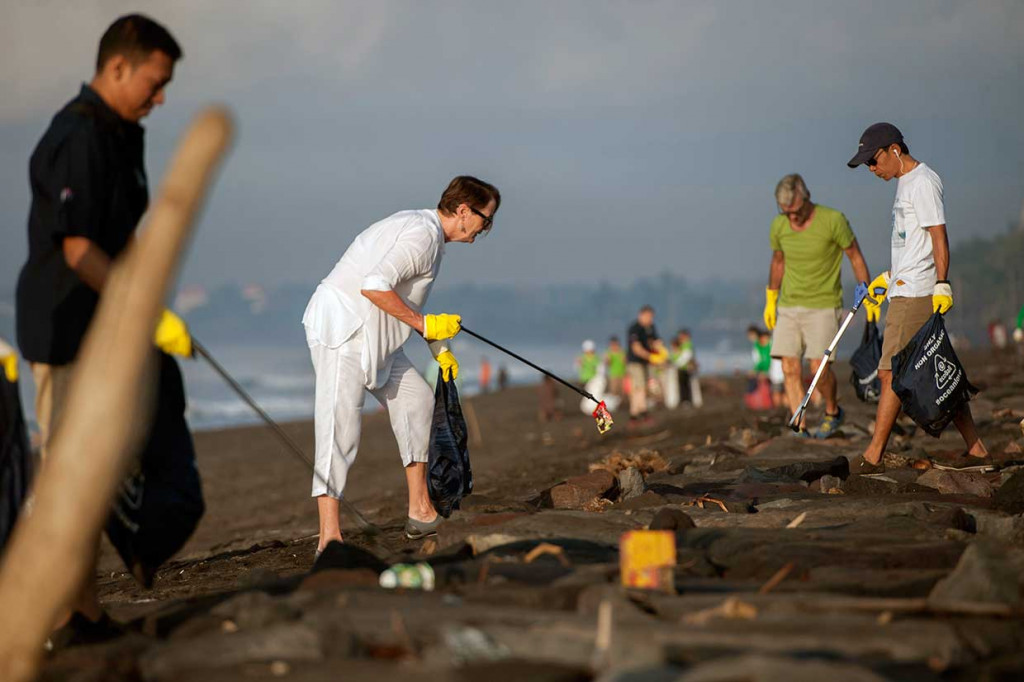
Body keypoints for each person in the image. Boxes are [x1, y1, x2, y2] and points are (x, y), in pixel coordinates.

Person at [14, 15, 195, 643]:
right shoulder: (78, 134)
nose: (161, 96)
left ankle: (82, 611)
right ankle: (55, 616)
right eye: (155, 81)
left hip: (108, 327)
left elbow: (125, 237)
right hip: (63, 327)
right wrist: (141, 307)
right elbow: (78, 250)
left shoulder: (126, 136)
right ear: (118, 66)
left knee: (96, 472)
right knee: (68, 474)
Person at [302, 176, 499, 549]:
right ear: (462, 211)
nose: (485, 229)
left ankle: (420, 510)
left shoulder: (430, 239)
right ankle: (329, 537)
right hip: (343, 326)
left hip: (377, 334)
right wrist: (424, 324)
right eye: (485, 220)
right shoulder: (422, 235)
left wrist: (437, 346)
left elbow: (401, 298)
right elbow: (374, 285)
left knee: (417, 401)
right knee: (339, 428)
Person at [848, 122, 988, 468]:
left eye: (874, 160)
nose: (871, 168)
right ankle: (976, 446)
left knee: (890, 374)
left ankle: (873, 455)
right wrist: (889, 278)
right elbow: (913, 243)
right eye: (866, 164)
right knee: (928, 373)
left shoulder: (922, 181)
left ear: (894, 150)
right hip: (904, 288)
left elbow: (938, 236)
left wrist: (942, 282)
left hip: (917, 293)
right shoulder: (904, 183)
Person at [763, 174, 871, 437]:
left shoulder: (833, 220)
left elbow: (854, 254)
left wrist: (865, 288)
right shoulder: (779, 226)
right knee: (788, 366)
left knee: (818, 369)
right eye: (786, 212)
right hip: (788, 305)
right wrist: (771, 298)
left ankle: (833, 411)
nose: (792, 218)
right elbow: (778, 261)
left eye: (796, 211)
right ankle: (799, 425)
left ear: (806, 197)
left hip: (824, 304)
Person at [626, 305, 667, 427]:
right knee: (639, 388)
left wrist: (661, 353)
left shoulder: (651, 327)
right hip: (635, 362)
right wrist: (652, 358)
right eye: (648, 316)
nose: (650, 319)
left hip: (646, 363)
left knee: (641, 388)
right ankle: (641, 413)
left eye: (652, 317)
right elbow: (636, 349)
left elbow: (656, 342)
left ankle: (635, 414)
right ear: (641, 315)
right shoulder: (634, 329)